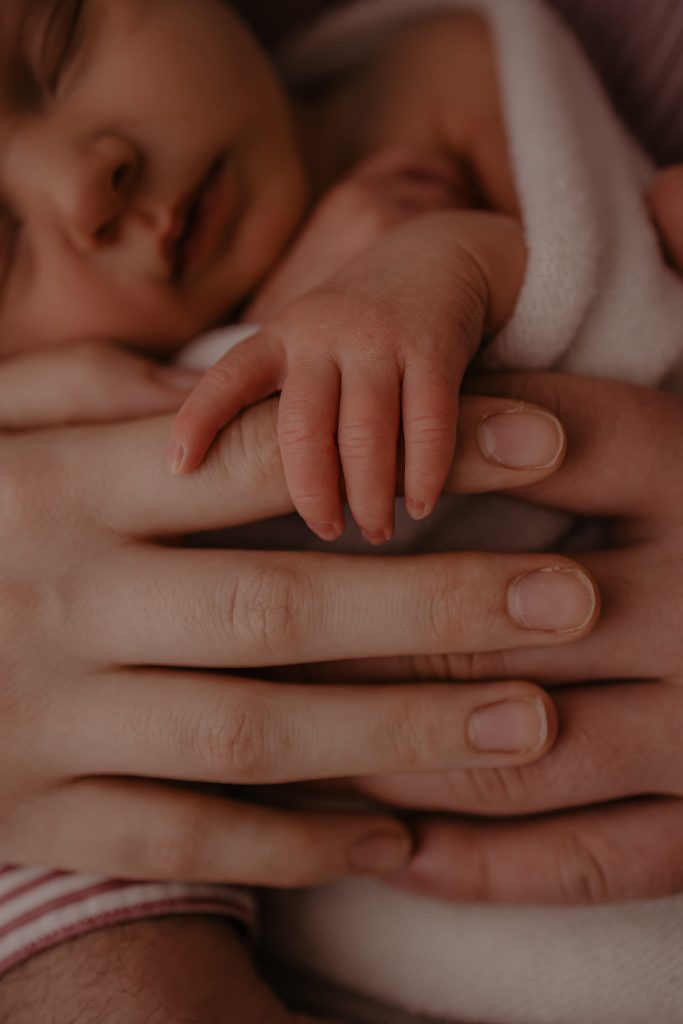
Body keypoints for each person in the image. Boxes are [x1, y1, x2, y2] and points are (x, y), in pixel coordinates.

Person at [0, 0, 682, 1021]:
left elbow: (617, 302)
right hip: (351, 896)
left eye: (57, 44)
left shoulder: (430, 74)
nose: (84, 180)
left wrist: (441, 267)